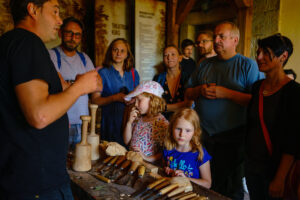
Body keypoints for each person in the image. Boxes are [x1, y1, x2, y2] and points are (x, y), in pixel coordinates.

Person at [0, 0, 102, 199]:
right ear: (33, 9)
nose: (59, 20)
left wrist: (75, 85)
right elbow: (40, 115)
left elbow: (46, 92)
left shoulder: (10, 43)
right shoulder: (27, 43)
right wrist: (80, 87)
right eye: (54, 12)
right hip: (37, 182)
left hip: (21, 176)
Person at [185, 21, 263, 199]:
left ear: (235, 40)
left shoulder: (248, 65)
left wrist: (226, 93)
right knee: (201, 182)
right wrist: (200, 90)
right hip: (203, 134)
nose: (217, 40)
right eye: (215, 36)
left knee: (229, 186)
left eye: (222, 36)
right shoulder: (204, 64)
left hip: (232, 137)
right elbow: (188, 92)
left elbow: (255, 102)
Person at [246, 34, 299, 200]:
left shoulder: (294, 92)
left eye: (266, 52)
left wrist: (280, 178)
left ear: (283, 56)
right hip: (253, 168)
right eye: (258, 52)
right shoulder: (256, 87)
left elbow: (293, 140)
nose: (259, 57)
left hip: (275, 170)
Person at [49, 17, 96, 150]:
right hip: (61, 121)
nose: (73, 37)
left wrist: (70, 83)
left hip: (83, 123)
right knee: (60, 160)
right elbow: (60, 86)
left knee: (81, 164)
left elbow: (97, 85)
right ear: (60, 33)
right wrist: (82, 83)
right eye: (69, 33)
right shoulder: (51, 55)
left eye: (77, 35)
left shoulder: (84, 58)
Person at [92, 38, 139, 146]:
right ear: (110, 52)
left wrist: (134, 99)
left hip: (129, 122)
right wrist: (114, 98)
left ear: (127, 54)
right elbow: (95, 101)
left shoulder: (133, 73)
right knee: (110, 154)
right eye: (115, 50)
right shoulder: (102, 73)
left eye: (122, 51)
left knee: (129, 155)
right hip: (110, 123)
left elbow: (138, 96)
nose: (118, 53)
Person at [163, 108, 212, 188]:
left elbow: (207, 184)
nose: (182, 134)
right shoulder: (168, 148)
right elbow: (165, 167)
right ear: (171, 128)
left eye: (188, 130)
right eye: (178, 129)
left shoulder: (200, 153)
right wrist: (168, 171)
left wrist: (186, 179)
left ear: (195, 132)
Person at [123, 81, 169, 162]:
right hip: (132, 161)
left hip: (147, 166)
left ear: (153, 101)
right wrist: (129, 123)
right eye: (135, 100)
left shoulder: (162, 124)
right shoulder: (138, 118)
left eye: (139, 100)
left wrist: (147, 158)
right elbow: (127, 141)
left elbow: (165, 152)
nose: (136, 104)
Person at [153, 45, 192, 120]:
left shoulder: (188, 78)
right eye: (165, 55)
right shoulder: (158, 78)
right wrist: (181, 105)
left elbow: (190, 104)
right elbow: (154, 105)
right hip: (162, 122)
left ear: (180, 58)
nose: (169, 58)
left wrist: (165, 107)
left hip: (183, 121)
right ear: (163, 59)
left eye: (173, 54)